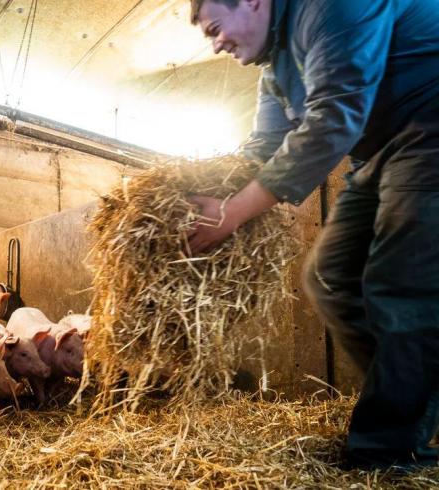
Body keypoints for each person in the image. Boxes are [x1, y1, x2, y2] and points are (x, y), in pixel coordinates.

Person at [186, 0, 439, 471]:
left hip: (429, 128)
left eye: (215, 27)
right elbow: (263, 147)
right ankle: (412, 395)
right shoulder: (274, 68)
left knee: (399, 287)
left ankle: (388, 450)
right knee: (330, 277)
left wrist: (234, 211)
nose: (216, 42)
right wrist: (197, 191)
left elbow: (334, 113)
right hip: (377, 153)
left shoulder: (330, 7)